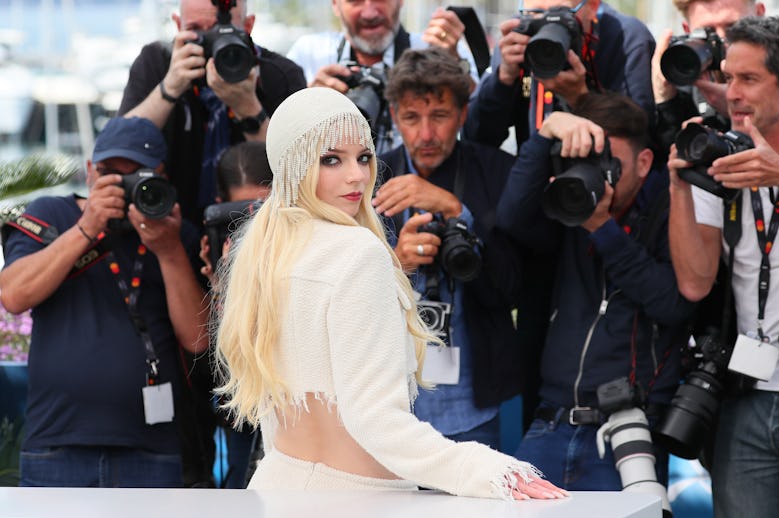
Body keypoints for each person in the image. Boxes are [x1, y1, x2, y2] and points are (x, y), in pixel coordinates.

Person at [212, 86, 568, 499]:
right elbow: (377, 421)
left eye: (364, 157)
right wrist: (488, 469)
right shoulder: (358, 252)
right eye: (331, 159)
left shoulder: (267, 251)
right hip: (356, 501)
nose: (357, 175)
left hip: (277, 490)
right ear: (294, 165)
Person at [667, 16, 779, 516]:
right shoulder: (723, 157)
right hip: (745, 395)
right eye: (728, 77)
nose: (731, 93)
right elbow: (695, 283)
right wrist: (680, 186)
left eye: (749, 79)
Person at [497, 91, 694, 490]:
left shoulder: (673, 212)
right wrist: (545, 133)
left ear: (643, 163)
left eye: (609, 164)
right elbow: (511, 218)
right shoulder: (565, 208)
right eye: (588, 162)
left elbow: (674, 302)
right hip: (551, 419)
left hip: (628, 430)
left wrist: (603, 231)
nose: (596, 176)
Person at [0, 117, 209, 487]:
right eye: (111, 174)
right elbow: (13, 295)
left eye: (138, 175)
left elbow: (197, 338)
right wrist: (86, 227)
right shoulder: (50, 215)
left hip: (151, 446)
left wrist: (170, 250)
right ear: (89, 171)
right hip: (56, 442)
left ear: (162, 176)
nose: (124, 186)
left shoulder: (176, 232)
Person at [372, 48, 521, 450]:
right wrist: (396, 265)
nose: (425, 135)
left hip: (474, 404)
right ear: (393, 117)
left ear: (462, 114)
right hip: (384, 406)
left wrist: (457, 211)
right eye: (411, 118)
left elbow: (511, 289)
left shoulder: (498, 172)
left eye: (439, 116)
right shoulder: (368, 179)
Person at [118, 0, 306, 228]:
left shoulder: (279, 74)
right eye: (196, 30)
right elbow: (120, 149)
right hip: (168, 221)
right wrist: (170, 88)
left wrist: (249, 108)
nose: (211, 42)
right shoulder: (157, 63)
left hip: (259, 225)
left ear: (248, 26)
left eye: (222, 30)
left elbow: (300, 175)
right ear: (178, 25)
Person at [286, 0, 479, 155]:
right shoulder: (309, 55)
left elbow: (478, 129)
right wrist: (307, 107)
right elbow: (280, 147)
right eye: (355, 1)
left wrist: (456, 69)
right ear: (335, 5)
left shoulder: (436, 50)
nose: (369, 13)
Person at [463, 0, 656, 151]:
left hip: (604, 179)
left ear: (592, 6)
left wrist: (581, 99)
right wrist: (503, 78)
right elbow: (476, 139)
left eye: (561, 13)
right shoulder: (517, 37)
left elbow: (638, 143)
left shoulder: (626, 38)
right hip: (535, 175)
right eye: (536, 13)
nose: (547, 23)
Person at [651, 0, 779, 154]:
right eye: (707, 31)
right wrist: (665, 99)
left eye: (733, 28)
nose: (721, 41)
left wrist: (742, 110)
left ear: (760, 14)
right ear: (688, 30)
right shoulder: (685, 83)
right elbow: (674, 164)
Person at [195, 141, 271, 489]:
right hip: (242, 404)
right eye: (237, 217)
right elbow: (217, 344)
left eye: (259, 212)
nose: (249, 229)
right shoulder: (218, 244)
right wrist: (220, 284)